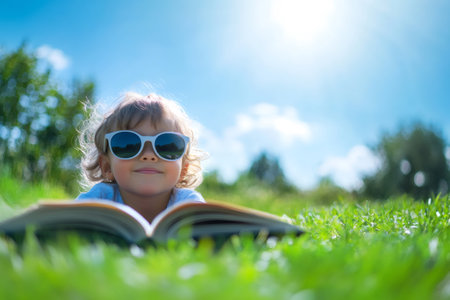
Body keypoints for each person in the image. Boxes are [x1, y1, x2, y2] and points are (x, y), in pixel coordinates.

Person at [77, 92, 207, 222]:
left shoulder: (187, 203)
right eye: (129, 144)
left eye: (166, 145)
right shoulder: (99, 198)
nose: (148, 155)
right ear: (107, 167)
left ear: (183, 169)